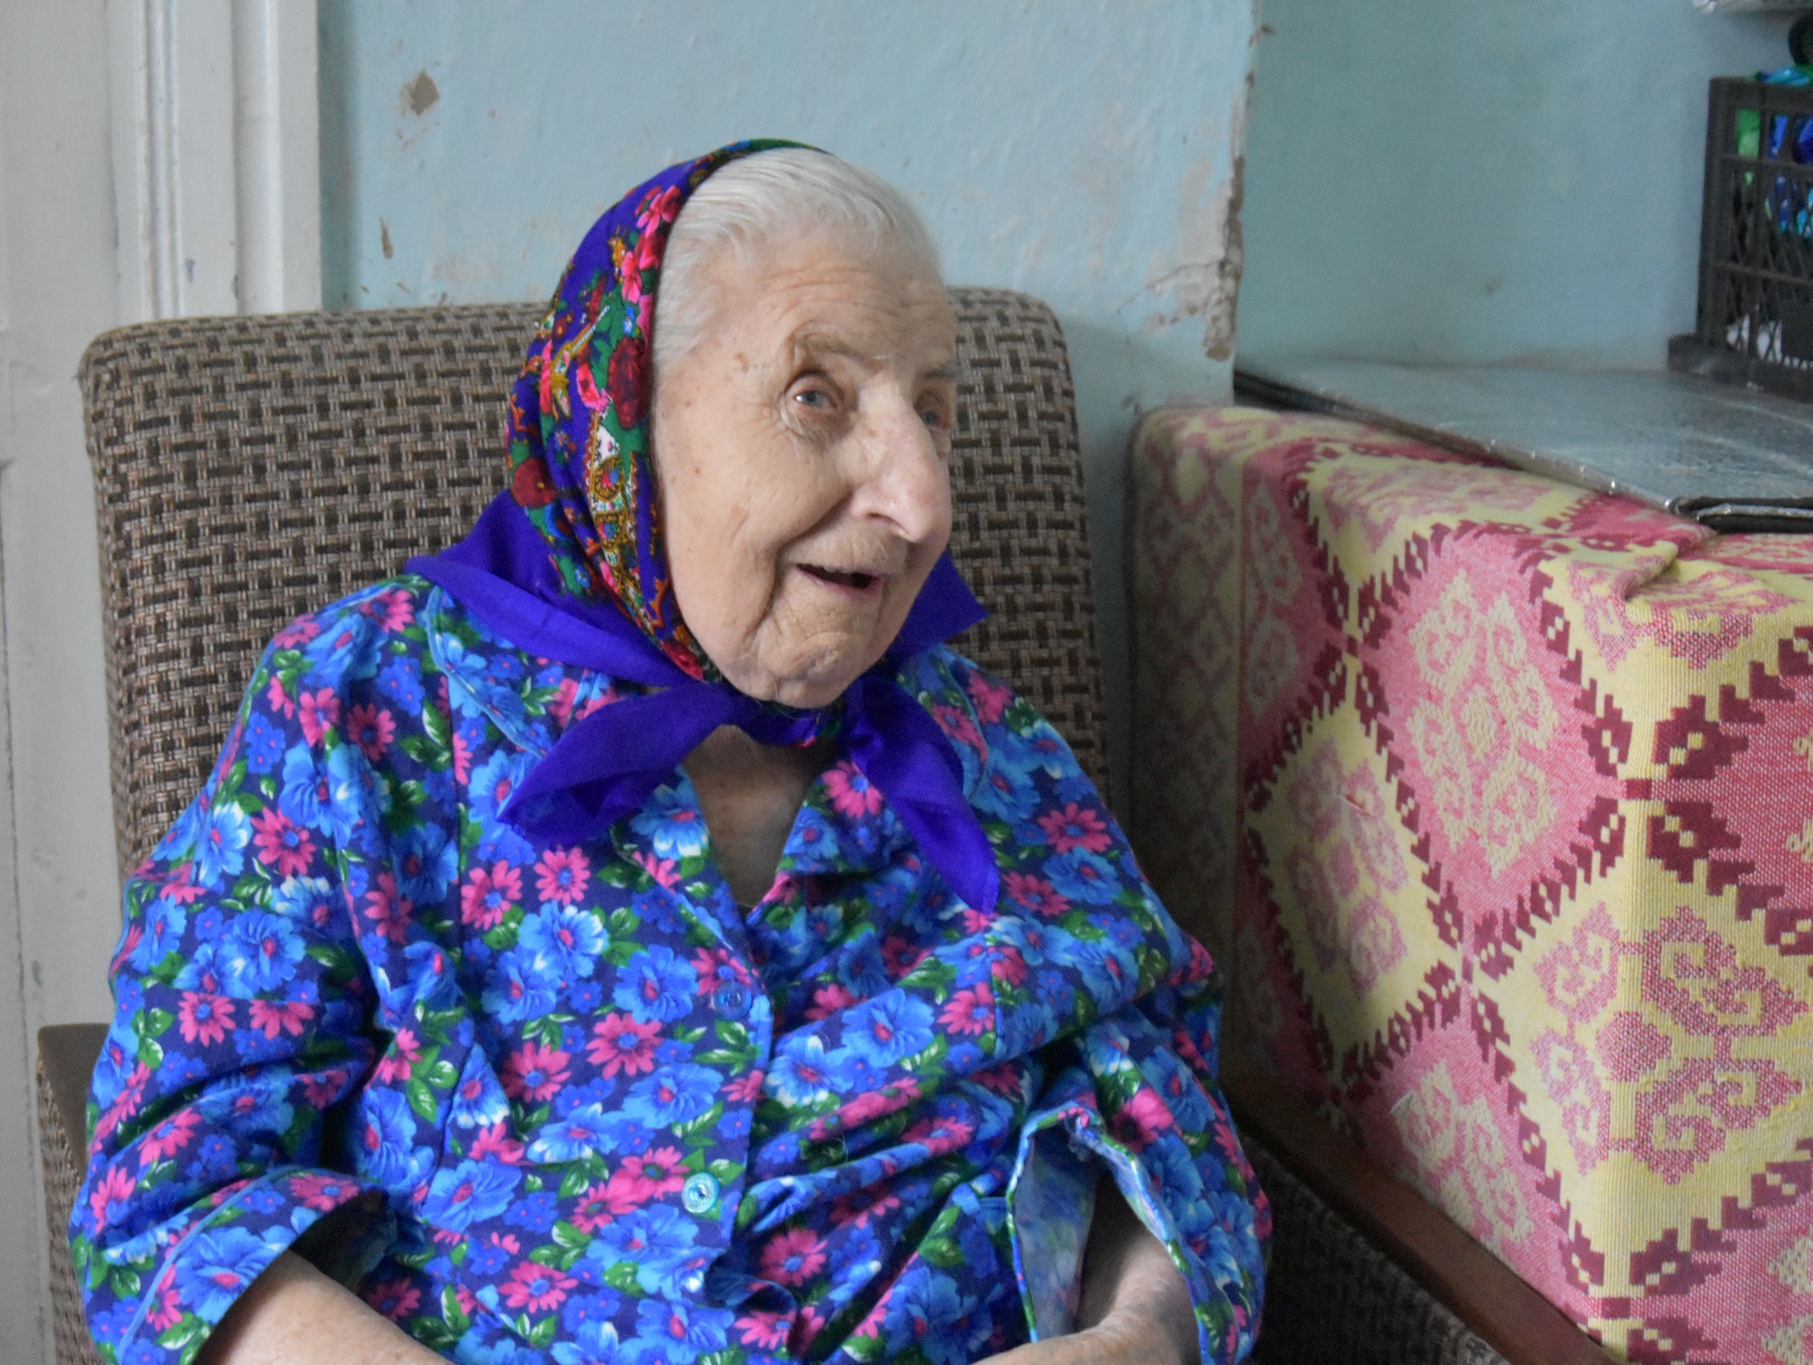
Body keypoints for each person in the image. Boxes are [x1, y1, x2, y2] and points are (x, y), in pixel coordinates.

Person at [72, 141, 1267, 1365]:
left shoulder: (990, 757)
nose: (920, 504)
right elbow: (166, 1207)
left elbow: (1161, 1116)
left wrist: (1138, 1339)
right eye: (817, 398)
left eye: (933, 413)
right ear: (623, 414)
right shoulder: (363, 713)